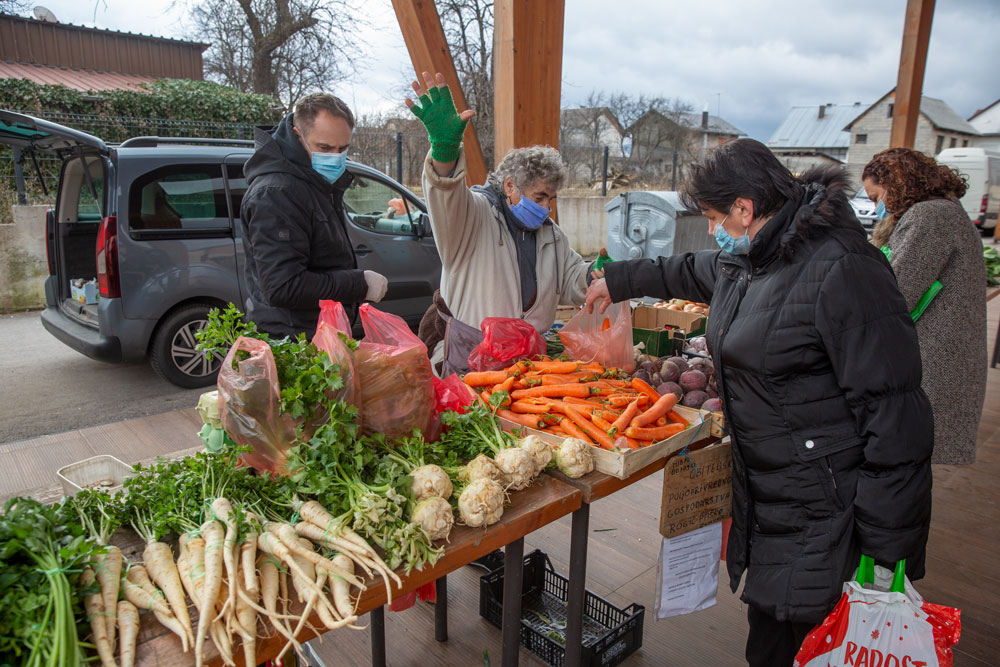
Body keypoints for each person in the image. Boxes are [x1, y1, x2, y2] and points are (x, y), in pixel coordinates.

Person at [586, 139, 933, 667]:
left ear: (745, 209)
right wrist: (620, 279)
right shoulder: (755, 259)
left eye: (714, 218)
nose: (712, 231)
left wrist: (887, 549)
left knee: (806, 644)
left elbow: (897, 417)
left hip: (828, 510)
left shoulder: (846, 271)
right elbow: (693, 269)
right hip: (774, 495)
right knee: (772, 640)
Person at [406, 71, 592, 374]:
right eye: (539, 197)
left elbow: (571, 279)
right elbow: (445, 194)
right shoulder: (472, 217)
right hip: (470, 362)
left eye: (551, 199)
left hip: (527, 368)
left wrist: (594, 275)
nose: (546, 209)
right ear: (509, 186)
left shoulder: (552, 237)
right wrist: (445, 150)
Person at [863, 147, 987, 465]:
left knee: (909, 459)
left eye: (877, 196)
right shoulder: (943, 210)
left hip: (934, 355)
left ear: (896, 182)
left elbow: (898, 290)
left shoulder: (930, 216)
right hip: (940, 350)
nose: (877, 207)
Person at [240, 93, 388, 338]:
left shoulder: (312, 181)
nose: (335, 157)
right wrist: (358, 284)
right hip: (293, 340)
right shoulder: (277, 193)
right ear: (298, 135)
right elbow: (283, 286)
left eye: (343, 148)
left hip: (318, 332)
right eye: (324, 148)